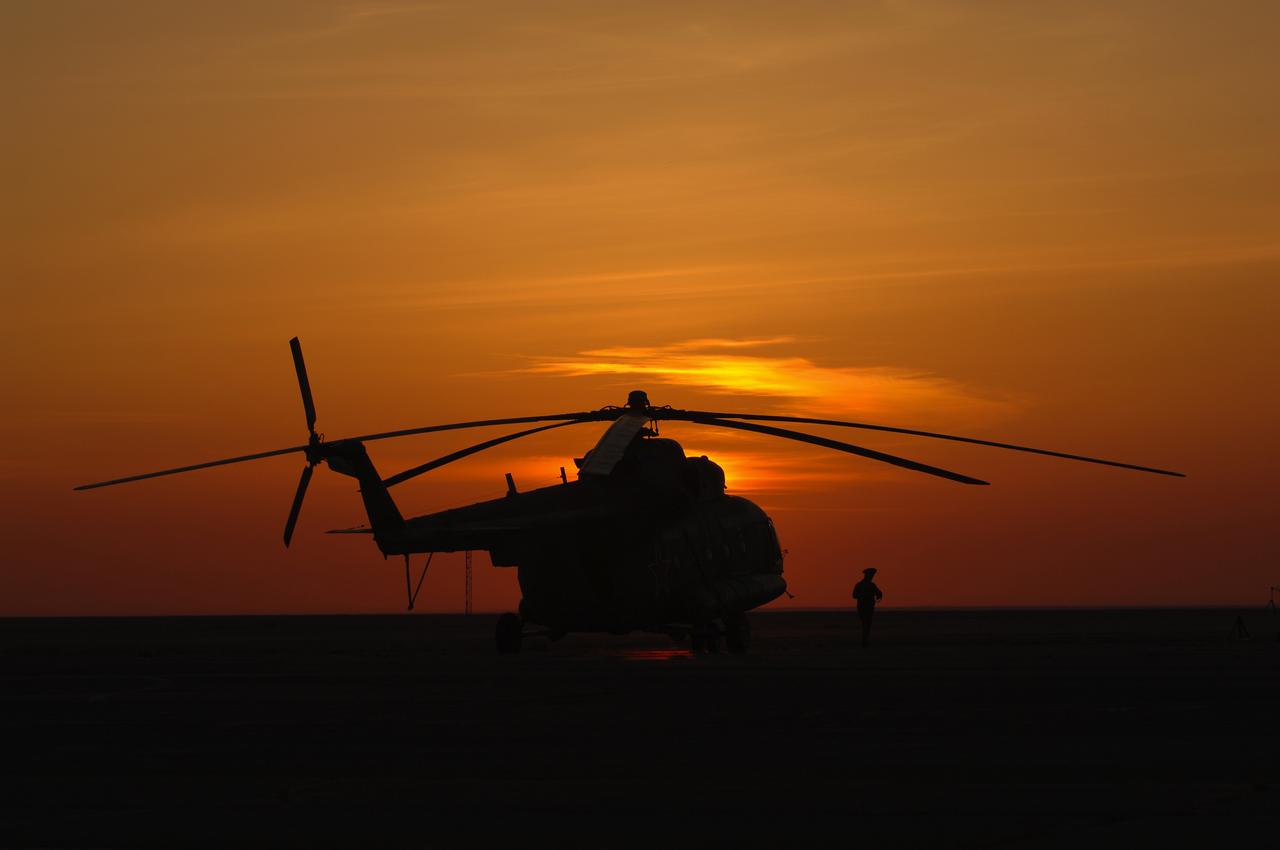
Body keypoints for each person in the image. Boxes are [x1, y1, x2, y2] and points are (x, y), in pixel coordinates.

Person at [852, 568, 883, 647]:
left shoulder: (871, 585)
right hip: (863, 608)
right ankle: (864, 641)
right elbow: (854, 595)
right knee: (866, 624)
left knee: (867, 624)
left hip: (868, 608)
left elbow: (879, 593)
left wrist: (879, 595)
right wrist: (863, 596)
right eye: (871, 575)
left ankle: (865, 640)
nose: (872, 577)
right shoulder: (860, 585)